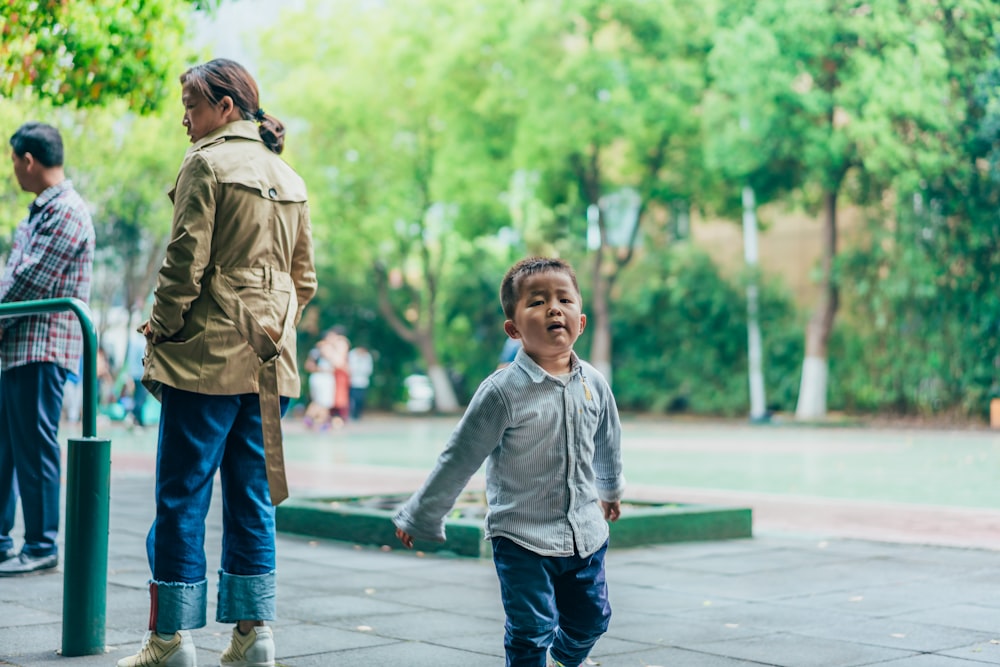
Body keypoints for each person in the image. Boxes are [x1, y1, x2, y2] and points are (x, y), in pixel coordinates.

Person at [118, 59, 316, 667]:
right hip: (270, 367)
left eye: (193, 105)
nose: (186, 117)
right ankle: (255, 636)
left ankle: (172, 640)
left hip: (204, 363)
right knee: (252, 500)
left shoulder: (205, 163)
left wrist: (163, 332)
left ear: (226, 107)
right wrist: (270, 324)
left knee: (181, 499)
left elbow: (183, 269)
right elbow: (303, 281)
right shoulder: (290, 177)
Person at [393, 257, 624, 667]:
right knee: (531, 630)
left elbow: (607, 441)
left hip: (585, 534)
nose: (554, 308)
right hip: (522, 537)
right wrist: (420, 515)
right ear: (514, 329)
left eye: (564, 299)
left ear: (581, 321)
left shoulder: (595, 384)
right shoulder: (502, 393)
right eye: (537, 301)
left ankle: (565, 661)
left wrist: (610, 490)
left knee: (593, 619)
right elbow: (459, 457)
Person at [0, 122, 95, 576]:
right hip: (17, 346)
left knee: (36, 449)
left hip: (42, 347)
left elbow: (28, 281)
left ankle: (41, 544)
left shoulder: (67, 212)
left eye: (14, 161)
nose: (14, 170)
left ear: (29, 161)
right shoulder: (38, 212)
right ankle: (3, 540)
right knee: (5, 448)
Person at [347, 344, 374, 420]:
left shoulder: (367, 356)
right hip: (353, 381)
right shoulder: (352, 354)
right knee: (353, 398)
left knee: (360, 399)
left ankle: (358, 414)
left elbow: (368, 370)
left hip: (363, 382)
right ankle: (352, 414)